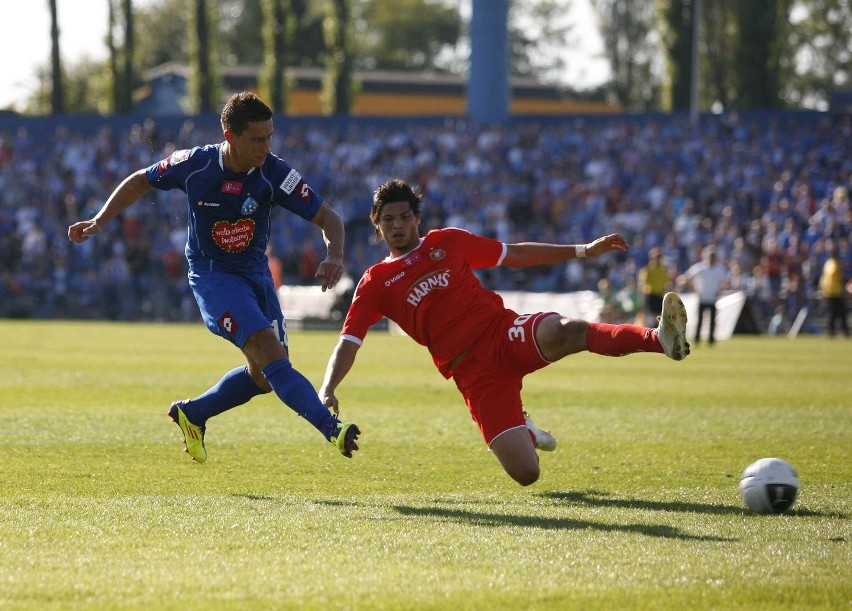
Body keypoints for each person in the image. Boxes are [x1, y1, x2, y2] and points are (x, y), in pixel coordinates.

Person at [319, 178, 689, 486]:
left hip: (503, 331)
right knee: (527, 474)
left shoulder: (447, 242)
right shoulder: (375, 282)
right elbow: (349, 340)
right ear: (377, 224)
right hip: (474, 374)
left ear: (417, 218)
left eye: (404, 217)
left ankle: (658, 339)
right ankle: (524, 429)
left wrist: (583, 251)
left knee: (566, 331)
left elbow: (515, 254)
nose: (397, 225)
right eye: (388, 219)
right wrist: (328, 388)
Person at [68, 91, 360, 462]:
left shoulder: (275, 173)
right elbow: (141, 181)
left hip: (255, 276)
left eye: (270, 137)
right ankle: (332, 429)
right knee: (272, 356)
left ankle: (195, 413)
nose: (266, 147)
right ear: (230, 135)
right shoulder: (195, 165)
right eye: (257, 139)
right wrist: (99, 221)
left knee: (264, 375)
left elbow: (328, 218)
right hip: (214, 276)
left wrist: (334, 253)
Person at [679, 245, 727, 346]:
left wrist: (719, 290)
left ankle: (711, 340)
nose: (711, 259)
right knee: (700, 320)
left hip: (713, 298)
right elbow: (687, 277)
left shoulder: (718, 269)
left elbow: (724, 281)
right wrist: (693, 288)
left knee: (712, 321)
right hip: (702, 297)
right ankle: (697, 340)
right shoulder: (700, 267)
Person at [819, 242, 849, 337]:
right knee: (840, 312)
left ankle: (832, 331)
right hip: (835, 292)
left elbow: (824, 279)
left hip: (829, 292)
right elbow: (839, 279)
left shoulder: (828, 264)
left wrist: (823, 291)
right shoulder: (836, 265)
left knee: (833, 312)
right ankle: (841, 330)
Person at [636, 247, 669, 327]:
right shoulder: (647, 269)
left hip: (660, 294)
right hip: (651, 295)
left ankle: (656, 333)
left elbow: (666, 282)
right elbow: (643, 283)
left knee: (659, 315)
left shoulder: (663, 270)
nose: (658, 259)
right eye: (656, 257)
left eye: (659, 257)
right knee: (652, 316)